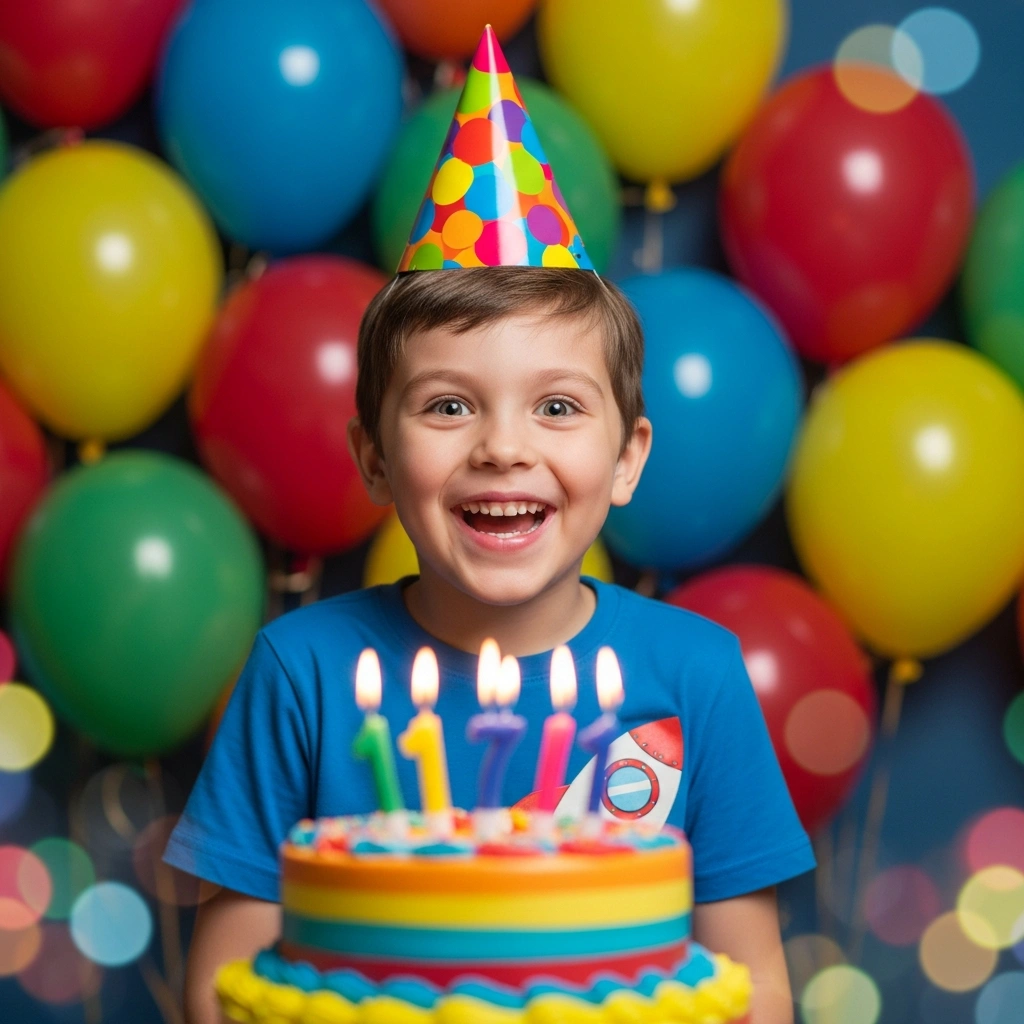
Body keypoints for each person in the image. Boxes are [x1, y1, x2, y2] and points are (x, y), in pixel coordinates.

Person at [165, 28, 813, 1024]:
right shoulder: (299, 672)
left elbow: (754, 985)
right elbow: (222, 988)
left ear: (629, 457)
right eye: (448, 405)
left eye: (556, 406)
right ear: (374, 459)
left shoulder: (696, 675)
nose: (502, 449)